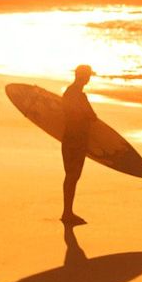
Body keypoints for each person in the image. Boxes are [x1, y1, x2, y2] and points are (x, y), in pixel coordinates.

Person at [61, 64, 97, 225]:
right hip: (77, 141)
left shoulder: (68, 93)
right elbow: (92, 116)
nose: (89, 78)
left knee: (71, 176)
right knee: (72, 176)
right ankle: (67, 213)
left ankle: (67, 212)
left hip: (69, 139)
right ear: (82, 77)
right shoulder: (79, 96)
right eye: (88, 75)